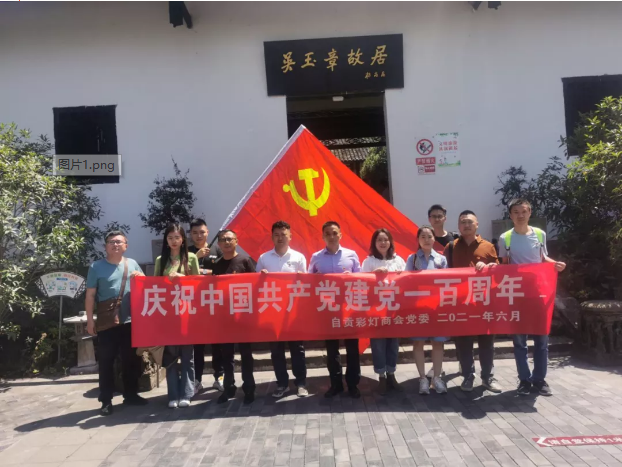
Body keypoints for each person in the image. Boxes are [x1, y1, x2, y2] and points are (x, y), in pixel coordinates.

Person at [499, 199, 566, 397]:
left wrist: (556, 264)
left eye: (524, 211)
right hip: (517, 296)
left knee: (542, 340)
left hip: (539, 294)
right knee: (519, 342)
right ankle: (524, 380)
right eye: (516, 212)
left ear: (530, 213)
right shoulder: (505, 238)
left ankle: (539, 379)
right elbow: (504, 266)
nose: (520, 215)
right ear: (510, 215)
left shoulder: (539, 234)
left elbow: (543, 258)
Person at [85, 230, 148, 416]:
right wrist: (90, 320)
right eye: (111, 242)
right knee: (106, 361)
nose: (115, 244)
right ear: (105, 246)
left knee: (131, 359)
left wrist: (141, 278)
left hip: (130, 320)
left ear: (126, 246)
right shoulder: (96, 267)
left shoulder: (132, 263)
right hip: (107, 322)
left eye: (119, 242)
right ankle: (106, 399)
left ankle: (131, 394)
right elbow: (90, 295)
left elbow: (146, 286)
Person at [444, 210, 502, 393]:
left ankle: (487, 377)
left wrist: (490, 266)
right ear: (458, 226)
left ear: (477, 224)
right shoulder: (451, 247)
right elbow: (442, 274)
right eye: (463, 222)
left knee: (486, 343)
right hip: (461, 303)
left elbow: (499, 271)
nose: (466, 225)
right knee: (463, 343)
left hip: (484, 302)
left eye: (470, 222)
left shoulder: (488, 246)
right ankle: (468, 376)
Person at [309, 221, 362, 399]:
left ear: (340, 235)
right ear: (323, 236)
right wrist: (315, 279)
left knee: (352, 348)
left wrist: (351, 277)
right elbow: (309, 281)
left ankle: (353, 384)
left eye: (334, 233)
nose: (331, 237)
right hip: (328, 309)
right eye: (328, 234)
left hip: (349, 307)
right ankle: (335, 384)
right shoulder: (316, 257)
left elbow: (362, 279)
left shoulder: (351, 255)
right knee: (332, 350)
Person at [256, 220, 309, 398]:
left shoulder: (298, 257)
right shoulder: (264, 258)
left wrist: (302, 277)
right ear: (272, 237)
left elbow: (306, 283)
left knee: (297, 349)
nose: (280, 238)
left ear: (290, 236)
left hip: (293, 311)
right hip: (272, 311)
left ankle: (301, 383)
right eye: (276, 235)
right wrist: (261, 277)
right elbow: (255, 283)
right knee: (276, 350)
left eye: (283, 235)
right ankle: (282, 384)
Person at [155, 222, 200, 408]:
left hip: (187, 313)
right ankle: (173, 395)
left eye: (177, 237)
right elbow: (154, 286)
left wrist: (183, 278)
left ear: (183, 239)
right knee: (170, 357)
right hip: (167, 314)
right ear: (166, 240)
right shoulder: (160, 260)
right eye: (170, 238)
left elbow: (199, 284)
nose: (174, 241)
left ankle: (187, 394)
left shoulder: (191, 257)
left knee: (188, 356)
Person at [212, 229, 257, 404]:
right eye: (223, 240)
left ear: (236, 241)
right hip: (224, 317)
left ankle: (249, 388)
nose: (226, 242)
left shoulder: (245, 261)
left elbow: (255, 285)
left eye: (230, 239)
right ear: (219, 244)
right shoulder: (217, 264)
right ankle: (229, 387)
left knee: (246, 354)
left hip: (243, 316)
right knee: (227, 355)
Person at [361, 228, 406, 395]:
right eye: (379, 240)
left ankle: (391, 374)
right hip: (375, 309)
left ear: (390, 242)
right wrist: (374, 275)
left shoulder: (398, 260)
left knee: (393, 344)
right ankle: (381, 376)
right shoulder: (369, 261)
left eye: (386, 239)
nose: (383, 243)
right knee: (378, 345)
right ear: (374, 243)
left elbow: (407, 280)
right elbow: (361, 282)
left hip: (394, 309)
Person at [406, 226, 449, 395]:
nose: (426, 239)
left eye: (429, 236)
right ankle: (423, 378)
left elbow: (447, 282)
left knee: (437, 343)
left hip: (437, 307)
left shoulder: (441, 259)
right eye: (422, 236)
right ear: (418, 240)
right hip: (418, 308)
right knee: (418, 343)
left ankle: (436, 378)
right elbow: (406, 281)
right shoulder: (412, 259)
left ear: (434, 239)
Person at [188, 218, 224, 394]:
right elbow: (181, 272)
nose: (199, 236)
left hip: (214, 303)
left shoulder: (217, 250)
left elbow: (222, 272)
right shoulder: (186, 252)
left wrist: (203, 272)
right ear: (190, 234)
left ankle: (220, 377)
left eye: (202, 232)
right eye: (195, 233)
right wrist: (196, 258)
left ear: (208, 232)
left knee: (218, 343)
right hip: (194, 305)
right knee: (198, 346)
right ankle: (197, 380)